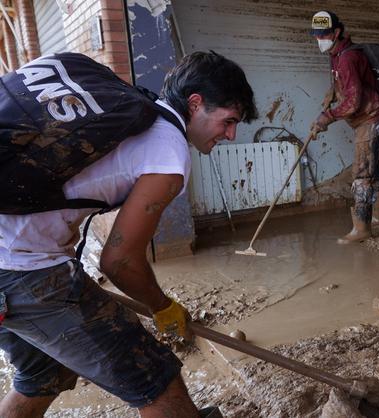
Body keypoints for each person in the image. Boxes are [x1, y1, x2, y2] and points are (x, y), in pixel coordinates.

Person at [0, 51, 256, 417]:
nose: (230, 134)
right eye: (228, 121)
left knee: (45, 374)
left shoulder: (136, 114)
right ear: (196, 104)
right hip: (22, 268)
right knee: (155, 377)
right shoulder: (168, 151)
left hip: (8, 264)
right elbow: (119, 261)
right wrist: (162, 307)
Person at [309, 10, 379, 243]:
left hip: (370, 117)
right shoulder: (337, 54)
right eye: (316, 35)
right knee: (375, 170)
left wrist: (326, 117)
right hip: (372, 115)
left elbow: (353, 103)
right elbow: (345, 82)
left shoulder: (347, 58)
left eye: (324, 35)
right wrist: (332, 92)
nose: (320, 40)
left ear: (336, 32)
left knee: (361, 173)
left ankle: (362, 228)